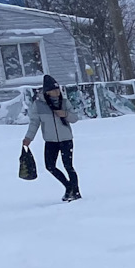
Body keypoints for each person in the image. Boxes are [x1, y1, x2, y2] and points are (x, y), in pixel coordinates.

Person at [23, 74, 81, 202]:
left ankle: (76, 192)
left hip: (66, 139)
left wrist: (65, 114)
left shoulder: (64, 102)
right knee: (50, 166)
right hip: (50, 141)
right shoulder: (38, 105)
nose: (56, 92)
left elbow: (75, 118)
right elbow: (34, 123)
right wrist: (28, 138)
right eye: (53, 90)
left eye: (57, 89)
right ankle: (69, 186)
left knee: (68, 166)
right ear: (47, 92)